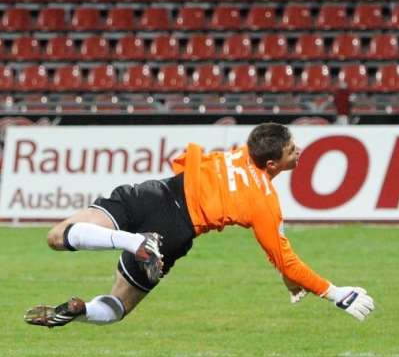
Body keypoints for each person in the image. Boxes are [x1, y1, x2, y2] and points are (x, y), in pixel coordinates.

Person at [24, 123, 375, 328]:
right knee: (118, 306)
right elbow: (285, 259)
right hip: (173, 232)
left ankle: (122, 252)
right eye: (292, 149)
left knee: (57, 237)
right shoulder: (264, 203)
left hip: (154, 193)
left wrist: (289, 278)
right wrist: (336, 293)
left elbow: (284, 264)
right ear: (272, 163)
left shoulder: (244, 151)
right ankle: (96, 298)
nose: (299, 150)